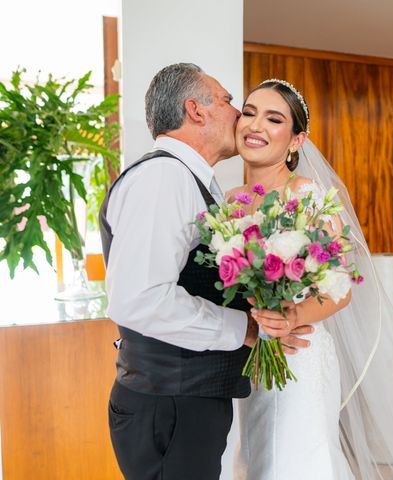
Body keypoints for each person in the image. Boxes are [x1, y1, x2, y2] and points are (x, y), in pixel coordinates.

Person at [228, 80, 393, 479]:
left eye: (274, 118)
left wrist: (291, 316)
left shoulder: (309, 196)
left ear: (296, 140)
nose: (255, 125)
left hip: (298, 354)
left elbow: (339, 286)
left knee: (297, 463)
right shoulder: (230, 200)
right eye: (249, 112)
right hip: (248, 357)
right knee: (252, 460)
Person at [99, 63, 311, 480]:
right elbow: (139, 299)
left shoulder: (190, 181)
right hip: (170, 405)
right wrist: (246, 329)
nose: (239, 115)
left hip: (183, 401)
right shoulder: (164, 178)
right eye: (232, 102)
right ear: (196, 111)